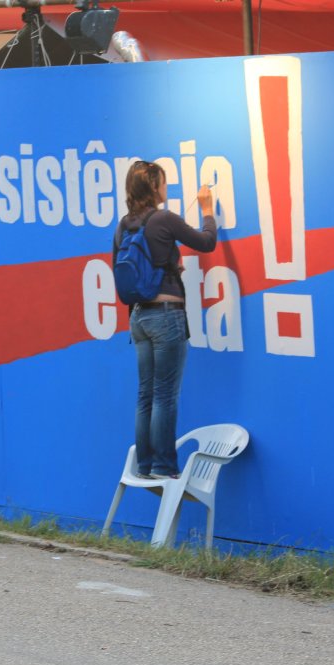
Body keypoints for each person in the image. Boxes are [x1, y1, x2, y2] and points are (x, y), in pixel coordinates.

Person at [112, 160, 217, 479]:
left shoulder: (123, 226)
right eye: (163, 181)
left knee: (145, 395)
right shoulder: (164, 219)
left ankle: (145, 466)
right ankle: (164, 466)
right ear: (152, 186)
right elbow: (206, 242)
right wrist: (207, 210)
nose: (166, 187)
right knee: (165, 395)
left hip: (139, 318)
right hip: (166, 316)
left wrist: (169, 264)